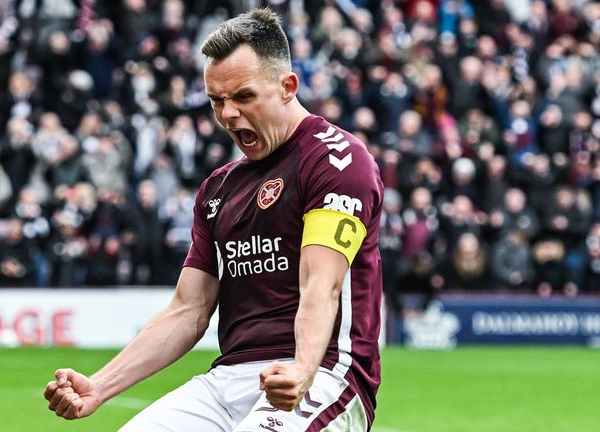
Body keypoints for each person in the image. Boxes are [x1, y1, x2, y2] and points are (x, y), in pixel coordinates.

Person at [44, 8, 384, 431]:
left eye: (243, 97)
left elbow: (322, 283)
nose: (228, 114)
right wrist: (100, 386)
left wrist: (302, 367)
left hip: (324, 372)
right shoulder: (218, 188)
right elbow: (188, 309)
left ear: (287, 87)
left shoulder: (336, 159)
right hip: (226, 381)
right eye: (216, 100)